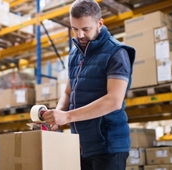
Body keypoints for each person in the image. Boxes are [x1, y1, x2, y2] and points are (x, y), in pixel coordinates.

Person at [42, 0, 136, 170]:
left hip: (109, 147)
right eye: (75, 29)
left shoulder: (116, 53)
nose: (80, 35)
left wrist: (68, 116)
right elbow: (68, 92)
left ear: (100, 24)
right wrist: (56, 117)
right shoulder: (75, 53)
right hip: (81, 145)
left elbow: (114, 101)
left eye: (85, 29)